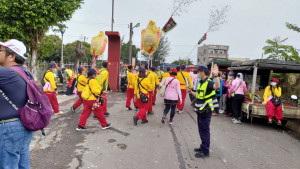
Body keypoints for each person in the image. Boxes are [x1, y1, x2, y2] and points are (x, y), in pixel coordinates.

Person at [0, 39, 34, 168]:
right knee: (22, 166)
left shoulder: (7, 73)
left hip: (9, 129)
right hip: (22, 126)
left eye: (1, 51)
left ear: (12, 56)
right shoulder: (24, 71)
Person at [189, 65, 220, 158]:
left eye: (198, 72)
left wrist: (215, 76)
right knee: (201, 129)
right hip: (200, 110)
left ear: (203, 72)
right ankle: (203, 146)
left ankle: (205, 151)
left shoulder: (209, 82)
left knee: (205, 130)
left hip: (206, 110)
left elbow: (217, 86)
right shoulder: (201, 82)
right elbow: (198, 95)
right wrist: (190, 92)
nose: (197, 73)